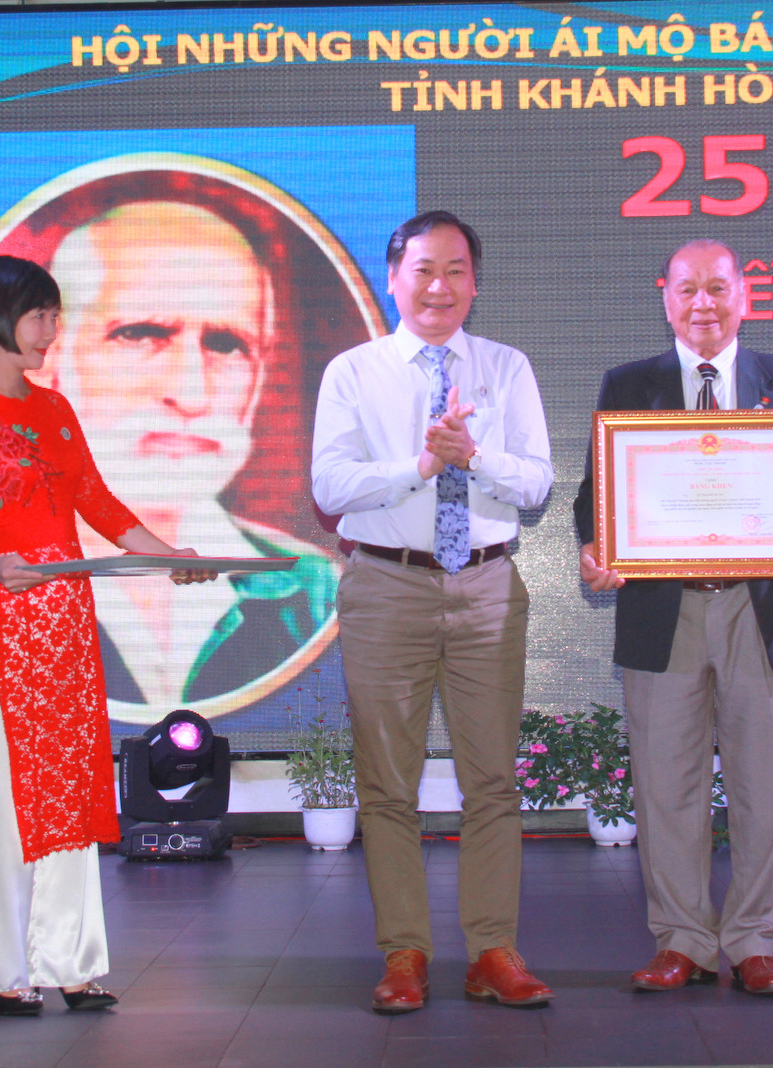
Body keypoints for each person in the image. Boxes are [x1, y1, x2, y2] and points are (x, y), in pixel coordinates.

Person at [0, 255, 212, 1015]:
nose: (51, 330)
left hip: (64, 619)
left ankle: (73, 963)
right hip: (1, 619)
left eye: (54, 316)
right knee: (0, 795)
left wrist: (170, 554)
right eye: (39, 316)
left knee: (68, 790)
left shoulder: (53, 411)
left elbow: (99, 502)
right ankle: (3, 970)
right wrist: (0, 565)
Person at [573, 239, 773, 998]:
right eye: (688, 289)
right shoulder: (629, 384)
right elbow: (595, 501)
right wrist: (597, 550)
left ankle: (759, 940)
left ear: (745, 294)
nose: (703, 303)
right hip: (667, 613)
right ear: (665, 296)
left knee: (764, 787)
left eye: (718, 288)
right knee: (667, 788)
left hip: (761, 613)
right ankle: (683, 939)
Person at [311, 211, 555, 1013]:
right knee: (388, 783)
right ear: (394, 278)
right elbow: (330, 488)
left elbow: (537, 485)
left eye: (455, 271)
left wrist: (471, 455)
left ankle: (493, 949)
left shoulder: (507, 367)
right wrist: (419, 464)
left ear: (475, 284)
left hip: (485, 583)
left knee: (492, 780)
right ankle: (404, 953)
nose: (438, 286)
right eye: (423, 269)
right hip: (386, 585)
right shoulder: (353, 371)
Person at [42, 184, 347, 721]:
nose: (191, 393)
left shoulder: (314, 590)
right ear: (49, 362)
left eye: (226, 344)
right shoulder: (6, 578)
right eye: (140, 334)